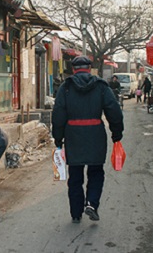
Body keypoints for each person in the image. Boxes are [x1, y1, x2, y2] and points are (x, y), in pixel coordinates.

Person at [52, 56, 124, 223]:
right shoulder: (101, 86)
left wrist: (58, 138)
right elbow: (114, 111)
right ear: (90, 68)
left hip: (73, 135)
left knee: (75, 175)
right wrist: (116, 134)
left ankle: (76, 213)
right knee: (96, 172)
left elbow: (58, 115)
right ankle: (91, 203)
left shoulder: (66, 87)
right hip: (95, 134)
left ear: (73, 69)